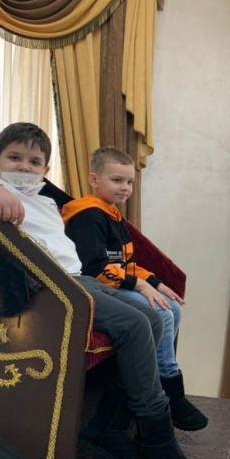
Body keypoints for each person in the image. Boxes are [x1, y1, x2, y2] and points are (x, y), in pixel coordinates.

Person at [0, 122, 198, 459]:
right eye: (14, 158)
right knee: (137, 324)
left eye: (34, 162)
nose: (24, 167)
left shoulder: (46, 201)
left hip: (81, 279)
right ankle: (158, 438)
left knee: (153, 318)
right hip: (55, 288)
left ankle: (110, 426)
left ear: (45, 170)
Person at [62, 146, 207, 431]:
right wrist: (139, 285)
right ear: (94, 180)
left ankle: (166, 381)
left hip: (115, 282)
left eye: (129, 181)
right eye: (117, 180)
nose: (125, 188)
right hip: (95, 288)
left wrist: (154, 282)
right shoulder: (87, 215)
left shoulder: (112, 214)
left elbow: (126, 264)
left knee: (173, 307)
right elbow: (94, 268)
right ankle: (168, 388)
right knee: (161, 312)